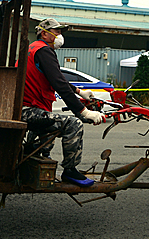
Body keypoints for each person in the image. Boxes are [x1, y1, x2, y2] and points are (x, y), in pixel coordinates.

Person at [20, 18, 104, 187]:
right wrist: (83, 112)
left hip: (26, 107)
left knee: (50, 123)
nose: (59, 36)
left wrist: (80, 92)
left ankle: (37, 157)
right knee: (73, 124)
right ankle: (70, 170)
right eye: (57, 32)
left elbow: (55, 78)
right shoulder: (43, 50)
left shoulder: (33, 49)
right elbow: (58, 83)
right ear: (44, 33)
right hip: (29, 109)